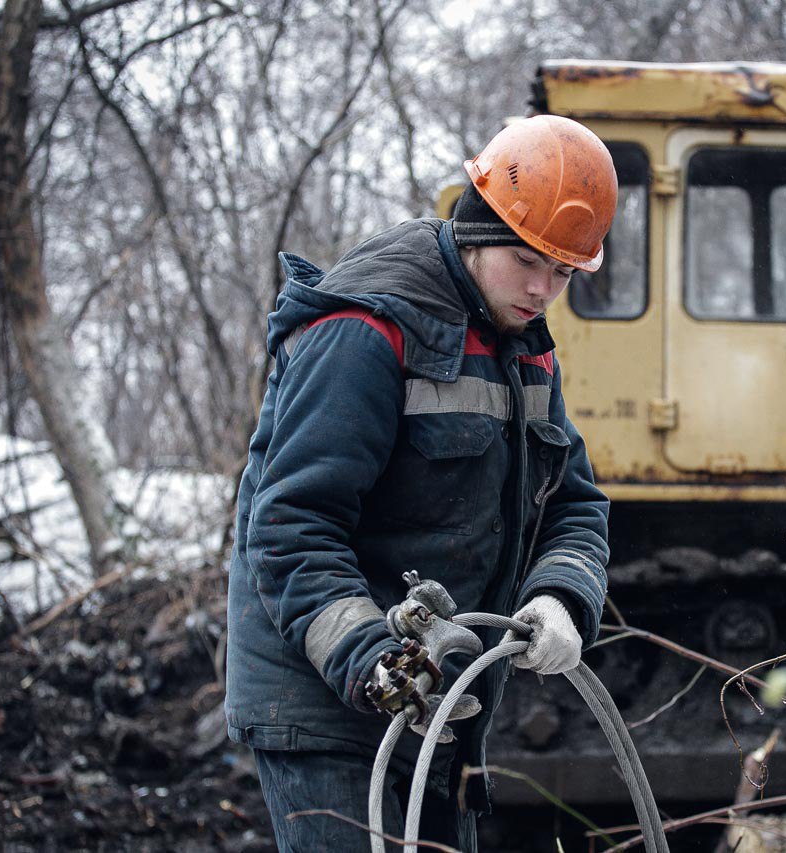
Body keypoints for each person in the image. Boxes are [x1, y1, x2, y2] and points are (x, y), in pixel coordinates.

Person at [225, 115, 618, 851]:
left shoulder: (522, 346)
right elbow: (288, 527)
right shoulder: (368, 326)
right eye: (528, 260)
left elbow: (573, 503)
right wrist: (375, 659)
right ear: (479, 228)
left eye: (563, 272)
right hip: (327, 711)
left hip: (439, 707)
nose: (543, 289)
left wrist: (560, 593)